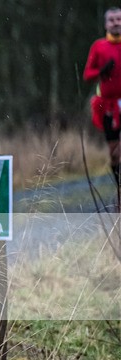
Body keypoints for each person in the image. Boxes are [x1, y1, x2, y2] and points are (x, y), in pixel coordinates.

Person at [84, 7, 121, 211]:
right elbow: (87, 75)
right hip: (108, 106)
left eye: (119, 19)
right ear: (106, 24)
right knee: (115, 153)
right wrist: (102, 71)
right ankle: (119, 190)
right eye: (112, 20)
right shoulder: (99, 47)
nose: (116, 23)